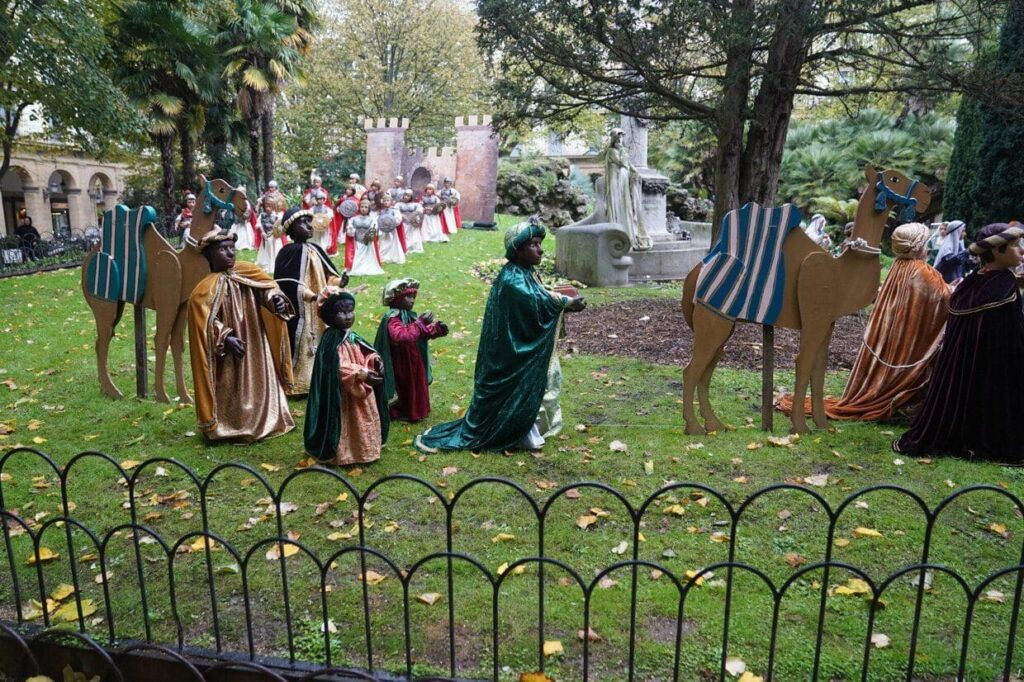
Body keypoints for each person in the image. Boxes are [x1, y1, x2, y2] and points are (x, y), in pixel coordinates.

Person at [416, 220, 586, 453]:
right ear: (518, 249)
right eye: (534, 244)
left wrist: (557, 296)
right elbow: (535, 301)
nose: (541, 249)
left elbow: (540, 296)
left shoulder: (525, 272)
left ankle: (528, 429)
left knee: (547, 379)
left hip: (518, 346)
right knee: (523, 386)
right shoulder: (512, 279)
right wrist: (565, 302)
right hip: (511, 352)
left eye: (540, 244)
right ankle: (518, 431)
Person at [777, 223, 950, 421]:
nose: (927, 248)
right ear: (917, 246)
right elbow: (944, 299)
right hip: (910, 339)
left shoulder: (898, 267)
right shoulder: (923, 272)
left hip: (894, 334)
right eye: (925, 243)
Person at [894, 223, 1024, 463]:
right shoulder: (1003, 286)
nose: (1022, 251)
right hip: (992, 373)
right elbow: (1011, 339)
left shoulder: (970, 284)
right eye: (1016, 246)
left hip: (959, 374)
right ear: (996, 250)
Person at [187, 229, 295, 442]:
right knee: (232, 383)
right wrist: (225, 336)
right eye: (222, 249)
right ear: (209, 255)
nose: (230, 254)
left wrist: (275, 299)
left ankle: (268, 417)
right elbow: (205, 322)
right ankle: (232, 423)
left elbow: (266, 288)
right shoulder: (202, 291)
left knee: (259, 377)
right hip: (228, 351)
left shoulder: (247, 272)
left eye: (231, 248)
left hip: (255, 340)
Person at [304, 287, 389, 466]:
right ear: (329, 316)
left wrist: (375, 360)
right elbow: (338, 367)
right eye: (342, 312)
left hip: (359, 390)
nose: (348, 316)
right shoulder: (330, 340)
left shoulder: (351, 336)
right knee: (346, 420)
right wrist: (362, 375)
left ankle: (364, 448)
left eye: (350, 311)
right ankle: (347, 451)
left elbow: (365, 352)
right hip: (343, 395)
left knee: (362, 417)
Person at [274, 207, 348, 396]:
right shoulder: (287, 252)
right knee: (304, 342)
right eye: (303, 222)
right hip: (303, 308)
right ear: (290, 229)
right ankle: (300, 382)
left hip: (320, 306)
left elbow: (328, 276)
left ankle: (323, 375)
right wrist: (311, 295)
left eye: (310, 221)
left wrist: (339, 282)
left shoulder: (316, 249)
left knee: (323, 337)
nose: (309, 225)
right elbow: (287, 284)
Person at [374, 278, 449, 422]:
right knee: (405, 386)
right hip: (400, 361)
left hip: (413, 358)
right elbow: (401, 336)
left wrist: (436, 329)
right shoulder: (392, 319)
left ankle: (417, 410)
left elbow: (420, 333)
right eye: (408, 297)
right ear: (396, 299)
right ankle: (404, 411)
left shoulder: (409, 316)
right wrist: (420, 323)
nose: (412, 300)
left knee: (417, 383)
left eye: (413, 297)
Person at [604, 128, 652, 251]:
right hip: (616, 180)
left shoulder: (622, 150)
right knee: (617, 204)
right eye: (619, 136)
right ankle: (617, 229)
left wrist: (635, 171)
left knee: (626, 205)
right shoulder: (611, 151)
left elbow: (629, 164)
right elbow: (621, 162)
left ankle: (628, 231)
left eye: (622, 137)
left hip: (623, 179)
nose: (621, 139)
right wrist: (624, 153)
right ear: (615, 137)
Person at [347, 200, 385, 276]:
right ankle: (355, 267)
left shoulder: (372, 219)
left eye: (366, 207)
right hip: (356, 242)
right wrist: (351, 230)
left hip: (368, 244)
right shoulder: (353, 219)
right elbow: (349, 228)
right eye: (362, 207)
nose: (363, 209)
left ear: (369, 209)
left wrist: (369, 236)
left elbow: (374, 229)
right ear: (359, 208)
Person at [934, 219, 971, 284]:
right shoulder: (947, 247)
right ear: (957, 231)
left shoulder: (960, 246)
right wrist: (967, 252)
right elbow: (951, 261)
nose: (965, 234)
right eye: (963, 231)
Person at [376, 194, 407, 265]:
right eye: (385, 201)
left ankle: (393, 256)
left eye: (388, 200)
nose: (386, 202)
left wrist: (391, 223)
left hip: (392, 230)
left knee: (392, 243)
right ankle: (383, 257)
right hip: (382, 230)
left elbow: (398, 219)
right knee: (383, 243)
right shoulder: (380, 211)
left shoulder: (394, 211)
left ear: (391, 202)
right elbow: (377, 219)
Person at [397, 190, 425, 255]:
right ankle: (404, 246)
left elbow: (419, 212)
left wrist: (415, 217)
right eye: (405, 195)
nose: (406, 197)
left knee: (414, 235)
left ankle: (413, 246)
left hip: (412, 223)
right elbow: (396, 212)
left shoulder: (416, 205)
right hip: (403, 223)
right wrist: (401, 215)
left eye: (408, 196)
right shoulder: (398, 204)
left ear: (411, 197)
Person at [309, 189, 336, 253]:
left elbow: (330, 214)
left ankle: (322, 249)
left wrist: (325, 218)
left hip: (324, 227)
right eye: (319, 199)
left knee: (323, 238)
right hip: (316, 227)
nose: (321, 201)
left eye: (322, 199)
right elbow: (310, 213)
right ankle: (315, 248)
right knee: (315, 238)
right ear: (316, 199)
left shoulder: (327, 209)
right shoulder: (313, 208)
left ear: (324, 200)